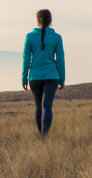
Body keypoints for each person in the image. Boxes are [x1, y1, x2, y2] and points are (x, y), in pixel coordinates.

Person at [22, 9, 65, 138]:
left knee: (38, 106)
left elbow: (26, 59)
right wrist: (62, 79)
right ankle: (44, 136)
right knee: (47, 106)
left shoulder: (29, 37)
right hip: (52, 76)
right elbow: (60, 59)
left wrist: (24, 78)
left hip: (35, 77)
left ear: (37, 20)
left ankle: (42, 135)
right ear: (50, 21)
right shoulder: (57, 37)